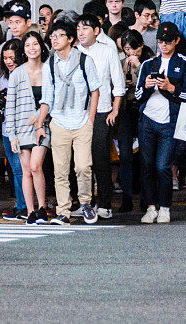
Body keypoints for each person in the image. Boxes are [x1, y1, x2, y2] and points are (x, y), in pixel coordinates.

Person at [35, 20, 101, 226]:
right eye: (52, 36)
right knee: (60, 170)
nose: (54, 39)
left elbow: (95, 91)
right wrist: (39, 124)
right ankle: (63, 211)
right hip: (59, 122)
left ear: (70, 39)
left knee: (83, 166)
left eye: (59, 35)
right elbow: (46, 98)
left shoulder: (84, 61)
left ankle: (85, 203)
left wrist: (90, 120)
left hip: (81, 122)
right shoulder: (50, 65)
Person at [135, 22, 186, 224]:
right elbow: (137, 95)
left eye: (168, 42)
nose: (164, 45)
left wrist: (171, 87)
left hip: (171, 121)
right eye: (160, 41)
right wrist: (146, 86)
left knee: (163, 166)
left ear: (177, 41)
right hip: (148, 120)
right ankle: (151, 207)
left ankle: (165, 207)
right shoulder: (148, 64)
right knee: (147, 165)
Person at [75, 14, 125, 218]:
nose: (80, 32)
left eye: (85, 28)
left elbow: (118, 84)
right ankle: (83, 202)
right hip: (76, 114)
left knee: (100, 159)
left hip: (102, 112)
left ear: (96, 31)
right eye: (78, 28)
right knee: (79, 161)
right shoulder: (73, 52)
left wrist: (115, 109)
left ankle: (104, 204)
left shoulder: (107, 51)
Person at [117, 29, 154, 213]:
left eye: (135, 49)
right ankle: (126, 196)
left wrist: (139, 67)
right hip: (126, 110)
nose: (131, 54)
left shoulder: (149, 61)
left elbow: (152, 83)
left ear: (142, 46)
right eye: (127, 50)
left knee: (146, 155)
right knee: (125, 155)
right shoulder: (121, 62)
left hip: (144, 110)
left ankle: (146, 198)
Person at [0, 39, 28, 221]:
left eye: (12, 57)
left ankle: (25, 206)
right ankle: (21, 204)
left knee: (21, 169)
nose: (9, 61)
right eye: (5, 58)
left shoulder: (26, 73)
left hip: (23, 128)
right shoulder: (4, 77)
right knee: (16, 170)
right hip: (6, 127)